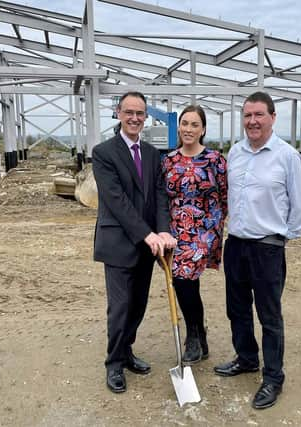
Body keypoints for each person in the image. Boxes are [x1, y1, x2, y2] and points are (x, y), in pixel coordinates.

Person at [213, 91, 301, 410]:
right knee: (237, 309)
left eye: (258, 115)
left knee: (269, 316)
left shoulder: (286, 156)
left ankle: (273, 377)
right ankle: (246, 358)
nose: (252, 121)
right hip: (236, 245)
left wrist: (281, 238)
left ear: (272, 117)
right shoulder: (235, 153)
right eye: (247, 116)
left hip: (267, 248)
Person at [92, 91, 177, 394]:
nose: (135, 118)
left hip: (149, 245)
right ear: (118, 114)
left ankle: (127, 351)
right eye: (129, 112)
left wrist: (164, 231)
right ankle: (113, 362)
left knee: (138, 305)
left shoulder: (155, 155)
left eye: (140, 113)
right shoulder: (103, 153)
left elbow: (160, 198)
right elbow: (117, 201)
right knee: (120, 306)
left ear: (145, 117)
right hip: (118, 242)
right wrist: (147, 233)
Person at [161, 105, 228, 365]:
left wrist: (212, 229)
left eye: (194, 125)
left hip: (204, 231)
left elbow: (225, 196)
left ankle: (193, 336)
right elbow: (163, 198)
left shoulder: (215, 160)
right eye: (184, 123)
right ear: (179, 127)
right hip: (175, 231)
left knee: (183, 277)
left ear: (203, 129)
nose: (188, 129)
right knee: (184, 283)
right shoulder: (168, 161)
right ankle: (199, 333)